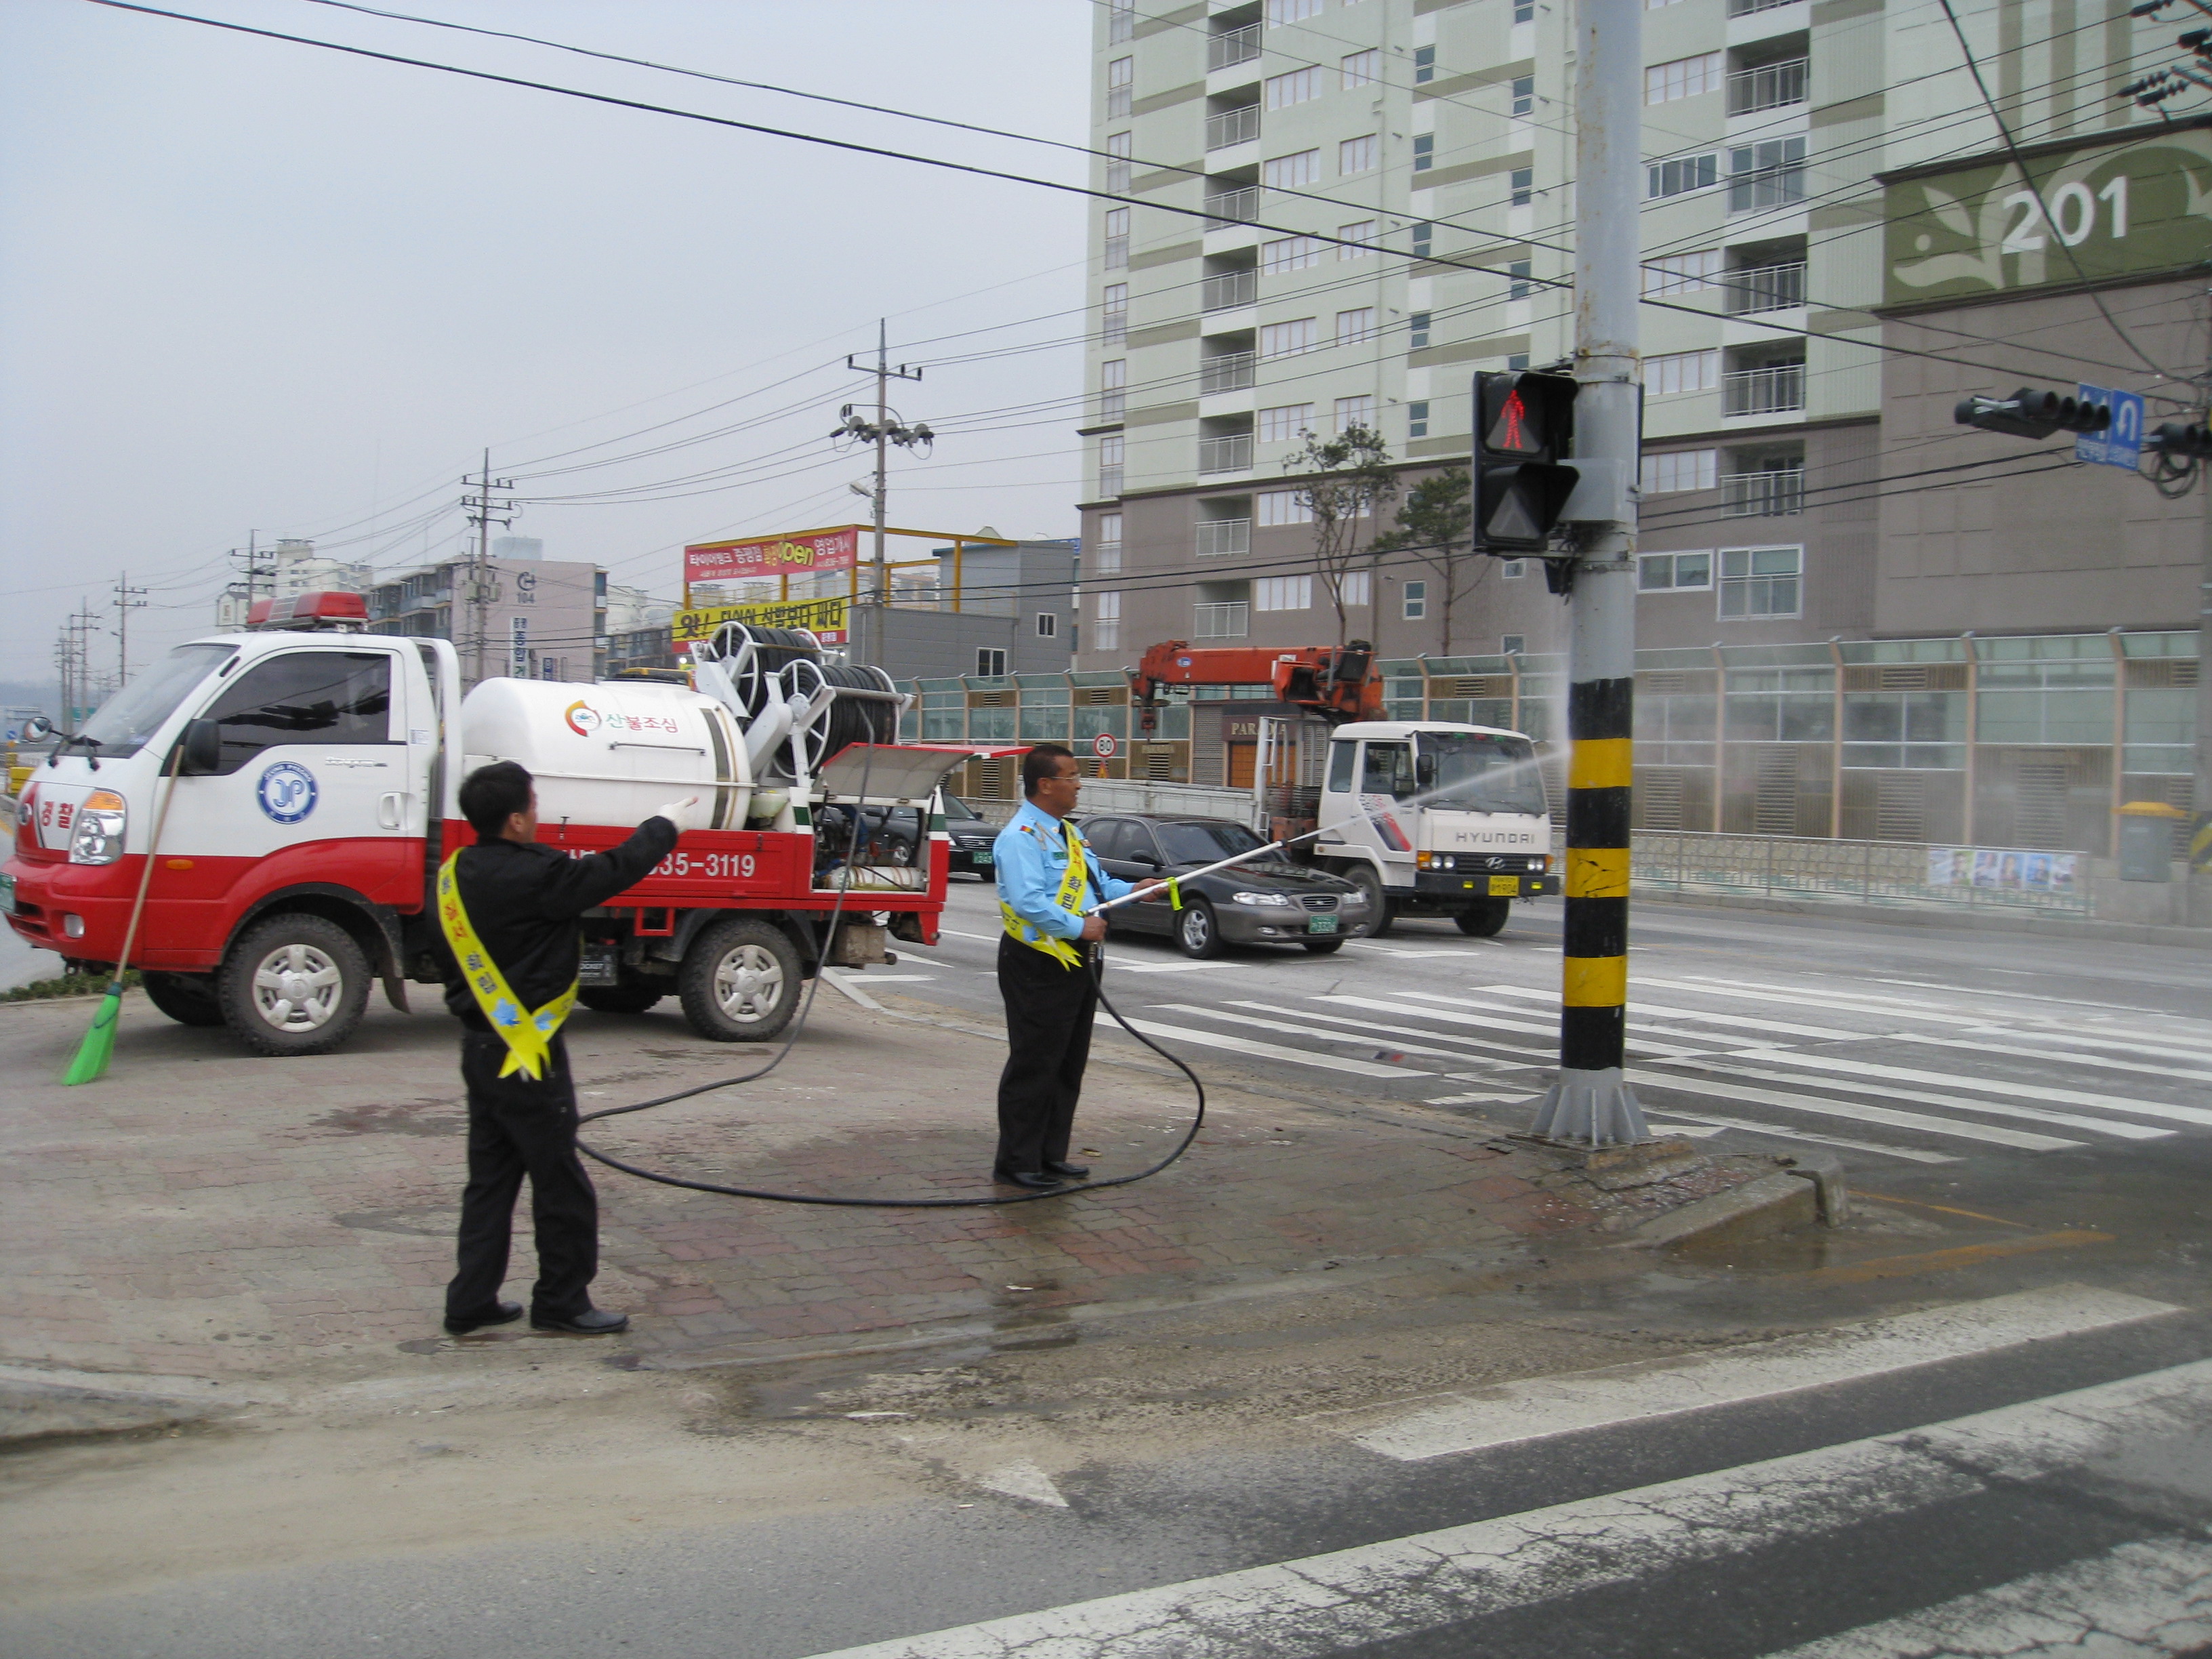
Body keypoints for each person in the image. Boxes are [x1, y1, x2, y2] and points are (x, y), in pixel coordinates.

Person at [436, 761, 697, 1336]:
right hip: (527, 1056)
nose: (538, 813)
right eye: (533, 804)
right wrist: (664, 826)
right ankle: (562, 1300)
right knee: (560, 1183)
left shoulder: (454, 874)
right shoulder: (538, 876)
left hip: (479, 1047)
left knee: (489, 1181)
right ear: (514, 820)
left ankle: (470, 1299)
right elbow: (613, 870)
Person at [990, 743, 1162, 1189]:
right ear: (1046, 784)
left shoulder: (1069, 833)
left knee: (1068, 1061)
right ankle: (1017, 1161)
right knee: (1035, 1061)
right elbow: (1027, 901)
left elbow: (1096, 885)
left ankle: (1050, 1154)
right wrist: (1077, 927)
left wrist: (1135, 890)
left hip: (1078, 961)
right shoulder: (1021, 836)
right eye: (1071, 777)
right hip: (1039, 961)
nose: (1079, 785)